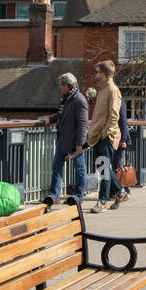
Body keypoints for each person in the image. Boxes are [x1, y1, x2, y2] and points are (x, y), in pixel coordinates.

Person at [86, 60, 125, 213]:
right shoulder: (102, 90)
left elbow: (114, 115)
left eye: (97, 72)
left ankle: (102, 202)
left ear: (103, 74)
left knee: (104, 169)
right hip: (98, 135)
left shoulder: (112, 90)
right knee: (103, 168)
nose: (95, 75)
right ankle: (120, 192)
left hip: (106, 136)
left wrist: (104, 133)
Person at [45, 71, 88, 202]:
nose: (60, 88)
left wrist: (80, 144)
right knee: (56, 167)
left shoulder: (79, 100)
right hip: (63, 139)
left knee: (80, 168)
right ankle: (54, 195)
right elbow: (61, 115)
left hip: (75, 142)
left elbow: (83, 124)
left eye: (61, 85)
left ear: (67, 86)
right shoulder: (65, 99)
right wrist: (50, 119)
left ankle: (79, 195)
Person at [113, 96, 132, 208]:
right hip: (116, 138)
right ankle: (121, 190)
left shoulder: (120, 102)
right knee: (117, 166)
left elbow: (123, 122)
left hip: (119, 139)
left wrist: (123, 139)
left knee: (119, 167)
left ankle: (124, 190)